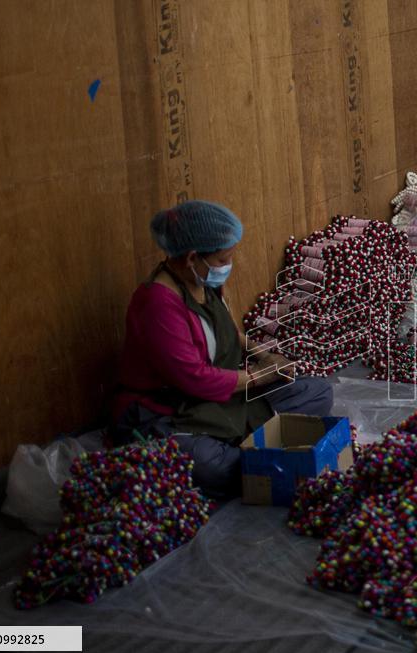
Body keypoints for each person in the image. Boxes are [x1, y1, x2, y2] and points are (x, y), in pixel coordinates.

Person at [109, 200, 333, 498]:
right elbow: (197, 378)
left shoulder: (203, 283)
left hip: (223, 398)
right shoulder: (158, 305)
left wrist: (263, 354)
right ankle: (241, 449)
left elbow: (230, 333)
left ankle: (242, 445)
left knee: (317, 392)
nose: (229, 265)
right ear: (192, 258)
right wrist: (259, 375)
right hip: (170, 411)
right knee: (214, 467)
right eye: (223, 259)